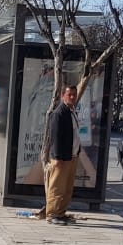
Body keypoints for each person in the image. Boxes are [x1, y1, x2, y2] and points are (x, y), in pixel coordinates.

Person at [42, 85, 81, 224]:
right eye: (69, 94)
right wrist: (57, 157)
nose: (72, 97)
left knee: (67, 188)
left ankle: (61, 212)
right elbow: (56, 137)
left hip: (72, 155)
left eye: (74, 94)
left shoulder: (72, 111)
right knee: (57, 187)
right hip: (61, 158)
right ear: (63, 96)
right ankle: (52, 214)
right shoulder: (59, 113)